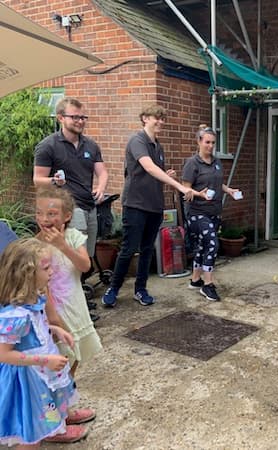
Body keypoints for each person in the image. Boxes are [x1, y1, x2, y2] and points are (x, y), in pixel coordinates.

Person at [102, 105, 194, 308]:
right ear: (144, 118)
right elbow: (149, 167)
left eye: (163, 119)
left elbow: (155, 173)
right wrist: (177, 185)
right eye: (156, 118)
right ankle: (113, 289)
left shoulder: (157, 146)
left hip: (154, 206)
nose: (160, 122)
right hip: (135, 204)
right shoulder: (138, 141)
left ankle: (141, 290)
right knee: (128, 249)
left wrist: (167, 176)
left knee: (146, 250)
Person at [0, 239, 87, 448]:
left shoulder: (32, 301)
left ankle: (56, 430)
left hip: (41, 373)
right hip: (27, 380)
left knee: (43, 420)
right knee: (32, 432)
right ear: (27, 274)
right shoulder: (14, 315)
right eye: (46, 268)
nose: (51, 272)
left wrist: (54, 330)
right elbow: (3, 354)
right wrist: (45, 359)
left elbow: (32, 333)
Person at [35, 187, 102, 436]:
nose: (44, 219)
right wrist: (53, 317)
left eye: (51, 213)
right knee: (53, 370)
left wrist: (63, 245)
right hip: (53, 316)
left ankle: (63, 410)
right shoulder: (35, 244)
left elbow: (84, 265)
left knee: (72, 362)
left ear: (66, 215)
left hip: (75, 310)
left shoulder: (73, 236)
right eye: (39, 213)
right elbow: (38, 284)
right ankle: (53, 427)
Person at [33, 97, 109, 259]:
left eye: (83, 117)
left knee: (87, 256)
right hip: (69, 209)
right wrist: (54, 181)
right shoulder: (47, 146)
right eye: (75, 117)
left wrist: (101, 188)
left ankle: (78, 283)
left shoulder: (91, 145)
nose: (80, 121)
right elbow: (38, 180)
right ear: (61, 117)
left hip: (90, 205)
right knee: (74, 256)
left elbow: (102, 172)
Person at [182, 125, 241, 302]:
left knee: (202, 246)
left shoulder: (216, 162)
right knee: (213, 245)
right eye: (207, 142)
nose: (210, 146)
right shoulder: (192, 163)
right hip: (197, 213)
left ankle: (195, 280)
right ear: (199, 142)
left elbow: (217, 184)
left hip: (214, 211)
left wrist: (229, 190)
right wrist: (198, 194)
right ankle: (208, 285)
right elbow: (185, 188)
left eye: (213, 143)